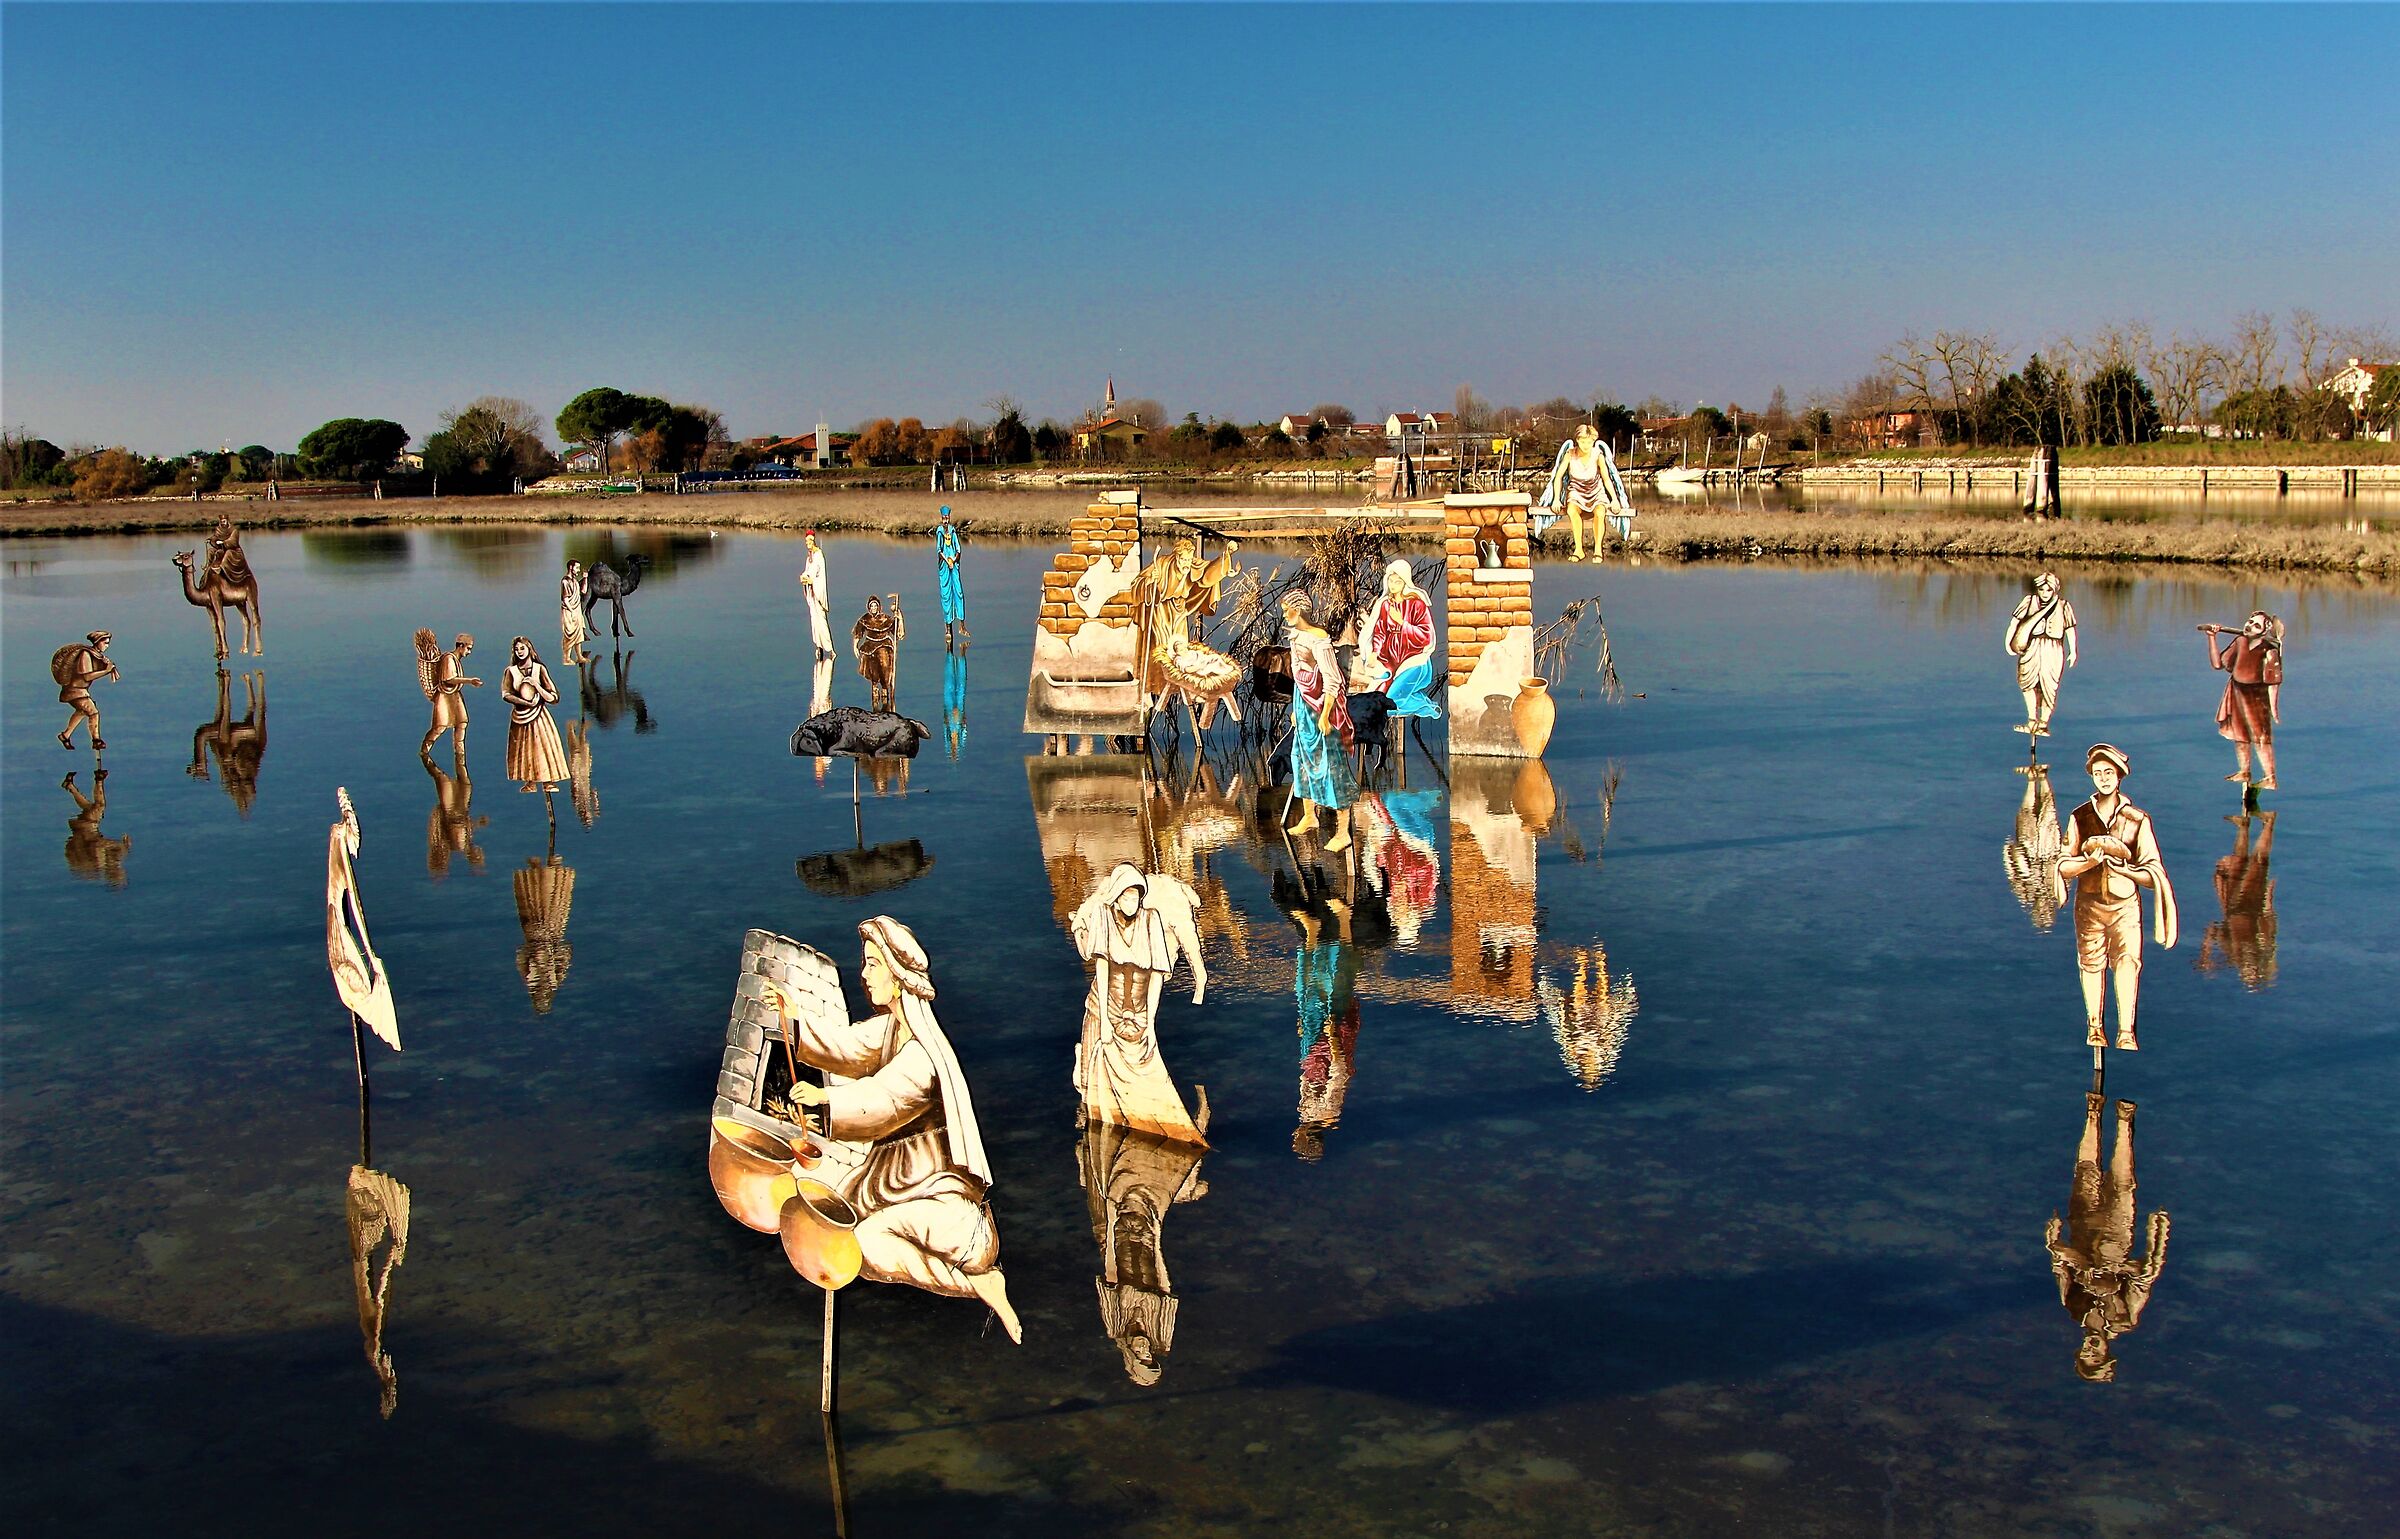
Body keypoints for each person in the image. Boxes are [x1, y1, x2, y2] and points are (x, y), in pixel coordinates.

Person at [761, 916, 1021, 1342]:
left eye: (872, 965)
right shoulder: (889, 1030)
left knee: (863, 1243)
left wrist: (826, 1101)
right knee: (837, 1234)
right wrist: (794, 1023)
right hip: (889, 1185)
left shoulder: (923, 1053)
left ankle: (978, 1284)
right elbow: (845, 1048)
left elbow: (884, 1102)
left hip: (942, 1207)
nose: (863, 975)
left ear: (897, 978)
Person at [1070, 864, 1209, 1144]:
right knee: (1094, 1066)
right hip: (1105, 1004)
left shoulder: (1151, 921)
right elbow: (1102, 967)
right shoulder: (1103, 917)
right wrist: (1107, 1024)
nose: (1132, 903)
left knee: (1148, 1069)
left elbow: (1157, 974)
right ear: (1117, 897)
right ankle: (1095, 1113)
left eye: (1136, 897)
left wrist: (1151, 1022)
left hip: (1138, 1008)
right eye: (1127, 897)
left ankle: (1161, 1125)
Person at [2053, 744, 2177, 1051]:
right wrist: (2088, 863)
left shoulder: (2137, 819)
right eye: (2098, 773)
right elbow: (2063, 864)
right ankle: (2094, 1026)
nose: (2104, 778)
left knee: (2127, 963)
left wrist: (2127, 870)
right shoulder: (2080, 816)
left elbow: (2152, 872)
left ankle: (2125, 1031)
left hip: (2125, 906)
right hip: (2090, 903)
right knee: (2091, 963)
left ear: (2120, 775)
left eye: (2109, 772)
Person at [2044, 1090, 2169, 1383]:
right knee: (2122, 1183)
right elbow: (2146, 1276)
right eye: (2094, 1355)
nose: (2090, 1348)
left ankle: (2093, 1112)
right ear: (2105, 1352)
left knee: (2085, 1174)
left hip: (2083, 1234)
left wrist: (2054, 1241)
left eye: (2086, 1353)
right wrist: (2158, 1233)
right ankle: (2125, 1121)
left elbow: (2061, 1270)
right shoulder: (2123, 1319)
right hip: (2116, 1240)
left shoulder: (2076, 1310)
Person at [1281, 593, 1357, 853]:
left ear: (1300, 611)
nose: (1284, 615)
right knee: (1301, 758)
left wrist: (1325, 714)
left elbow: (1332, 679)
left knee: (1331, 765)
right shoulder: (1295, 637)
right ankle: (1309, 815)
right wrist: (1296, 707)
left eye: (1288, 610)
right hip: (1303, 704)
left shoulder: (1319, 639)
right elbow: (1298, 676)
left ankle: (1342, 831)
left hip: (1323, 705)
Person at [2197, 811, 2277, 990]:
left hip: (2232, 907)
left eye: (2245, 972)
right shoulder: (2261, 947)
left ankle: (2243, 827)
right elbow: (2269, 921)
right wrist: (2269, 896)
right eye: (2251, 971)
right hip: (2251, 904)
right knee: (2258, 861)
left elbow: (2213, 930)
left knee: (2237, 863)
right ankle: (2269, 822)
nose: (2247, 968)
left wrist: (2206, 952)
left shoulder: (2232, 954)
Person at [2202, 611, 2283, 790]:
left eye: (2256, 625)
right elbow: (2217, 664)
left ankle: (2270, 777)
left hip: (2256, 698)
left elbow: (2274, 682)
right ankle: (2244, 771)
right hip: (2236, 692)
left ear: (2264, 631)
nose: (2250, 626)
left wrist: (2273, 708)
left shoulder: (2269, 651)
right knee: (2240, 736)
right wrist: (2212, 638)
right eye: (2250, 621)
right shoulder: (2240, 642)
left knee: (2261, 738)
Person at [1360, 559, 1441, 722]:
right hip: (1390, 659)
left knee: (1390, 703)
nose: (1393, 584)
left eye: (1398, 581)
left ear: (1405, 582)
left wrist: (1402, 624)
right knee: (1375, 702)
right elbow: (1380, 630)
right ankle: (1414, 697)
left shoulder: (1417, 604)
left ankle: (1425, 706)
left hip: (1412, 661)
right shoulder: (1385, 605)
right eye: (1391, 580)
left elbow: (1426, 636)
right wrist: (1375, 652)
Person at [2004, 572, 2077, 736]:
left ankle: (2043, 723)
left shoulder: (2063, 606)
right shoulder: (2029, 602)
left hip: (2053, 648)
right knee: (2027, 682)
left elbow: (2070, 629)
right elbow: (2014, 622)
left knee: (2049, 686)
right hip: (2032, 646)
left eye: (2048, 590)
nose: (2045, 593)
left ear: (2054, 590)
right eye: (2042, 590)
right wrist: (2009, 643)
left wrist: (2073, 651)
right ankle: (2031, 720)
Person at [500, 636, 569, 793]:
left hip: (539, 716)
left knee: (543, 746)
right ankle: (530, 781)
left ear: (529, 649)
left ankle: (548, 781)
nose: (519, 652)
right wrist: (524, 702)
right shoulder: (510, 671)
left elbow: (554, 697)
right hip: (520, 716)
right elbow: (506, 694)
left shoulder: (539, 669)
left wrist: (536, 685)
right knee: (525, 748)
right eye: (517, 650)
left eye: (522, 648)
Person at [1539, 422, 1612, 560]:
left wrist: (1614, 499)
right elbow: (1558, 476)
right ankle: (1579, 549)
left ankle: (1598, 549)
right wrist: (1556, 499)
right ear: (1577, 440)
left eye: (1589, 442)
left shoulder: (1598, 455)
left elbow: (1607, 478)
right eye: (1582, 441)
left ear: (1593, 441)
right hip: (1576, 491)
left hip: (1595, 491)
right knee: (1572, 510)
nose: (1585, 445)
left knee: (1600, 512)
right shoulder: (1570, 454)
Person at [415, 630, 481, 758]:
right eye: (468, 648)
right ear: (461, 646)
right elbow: (449, 679)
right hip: (444, 696)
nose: (469, 652)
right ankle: (424, 751)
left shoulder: (456, 659)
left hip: (455, 695)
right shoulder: (448, 658)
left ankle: (460, 753)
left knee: (462, 722)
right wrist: (470, 681)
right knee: (440, 726)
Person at [54, 630, 119, 750]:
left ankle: (65, 735)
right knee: (93, 712)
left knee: (83, 710)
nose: (107, 646)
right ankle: (96, 740)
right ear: (97, 642)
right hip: (74, 690)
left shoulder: (96, 655)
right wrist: (106, 671)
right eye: (105, 643)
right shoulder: (85, 655)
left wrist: (107, 666)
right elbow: (87, 676)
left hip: (82, 690)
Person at [852, 594, 900, 711]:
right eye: (871, 606)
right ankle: (874, 687)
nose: (873, 608)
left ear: (879, 607)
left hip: (884, 644)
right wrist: (855, 645)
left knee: (884, 665)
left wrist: (898, 618)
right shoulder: (865, 619)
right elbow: (858, 633)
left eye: (875, 606)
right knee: (872, 668)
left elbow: (896, 631)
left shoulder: (885, 619)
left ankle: (885, 687)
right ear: (869, 607)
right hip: (870, 645)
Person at [934, 505, 969, 649]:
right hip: (944, 566)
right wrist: (946, 560)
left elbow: (958, 548)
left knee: (959, 593)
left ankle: (962, 625)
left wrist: (953, 560)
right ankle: (948, 628)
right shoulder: (940, 532)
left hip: (953, 565)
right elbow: (939, 550)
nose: (945, 520)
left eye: (947, 518)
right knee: (946, 596)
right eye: (943, 518)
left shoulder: (953, 531)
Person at [799, 532, 832, 663]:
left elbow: (818, 575)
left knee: (821, 619)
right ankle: (819, 646)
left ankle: (829, 647)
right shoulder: (809, 557)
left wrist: (811, 580)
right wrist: (803, 577)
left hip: (817, 592)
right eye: (806, 542)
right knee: (814, 620)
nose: (808, 544)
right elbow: (808, 571)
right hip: (811, 593)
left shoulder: (818, 555)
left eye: (810, 542)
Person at [560, 561, 592, 666]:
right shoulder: (565, 581)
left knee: (579, 634)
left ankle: (579, 656)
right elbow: (565, 599)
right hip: (569, 611)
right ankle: (566, 658)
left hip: (577, 610)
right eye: (577, 568)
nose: (578, 570)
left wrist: (585, 578)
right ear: (570, 567)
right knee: (569, 634)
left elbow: (583, 591)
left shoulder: (574, 581)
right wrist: (572, 611)